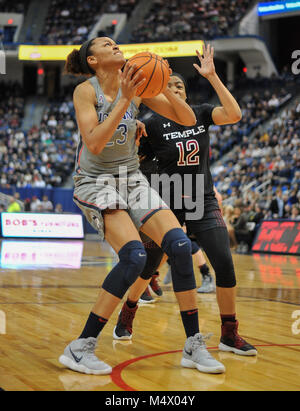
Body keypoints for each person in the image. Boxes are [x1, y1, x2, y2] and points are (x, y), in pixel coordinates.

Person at [59, 37, 226, 376]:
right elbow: (94, 142)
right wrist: (125, 100)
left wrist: (161, 84)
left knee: (179, 245)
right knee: (135, 256)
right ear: (93, 60)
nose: (115, 44)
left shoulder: (136, 83)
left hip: (131, 176)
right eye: (107, 44)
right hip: (97, 180)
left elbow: (186, 118)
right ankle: (81, 346)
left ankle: (194, 344)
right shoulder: (86, 92)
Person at [113, 46, 257, 360]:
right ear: (157, 89)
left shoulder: (202, 113)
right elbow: (135, 161)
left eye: (180, 85)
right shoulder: (150, 122)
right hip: (165, 197)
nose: (176, 88)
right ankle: (129, 309)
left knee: (225, 264)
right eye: (169, 85)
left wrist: (214, 77)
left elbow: (234, 114)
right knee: (148, 267)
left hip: (202, 197)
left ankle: (229, 333)